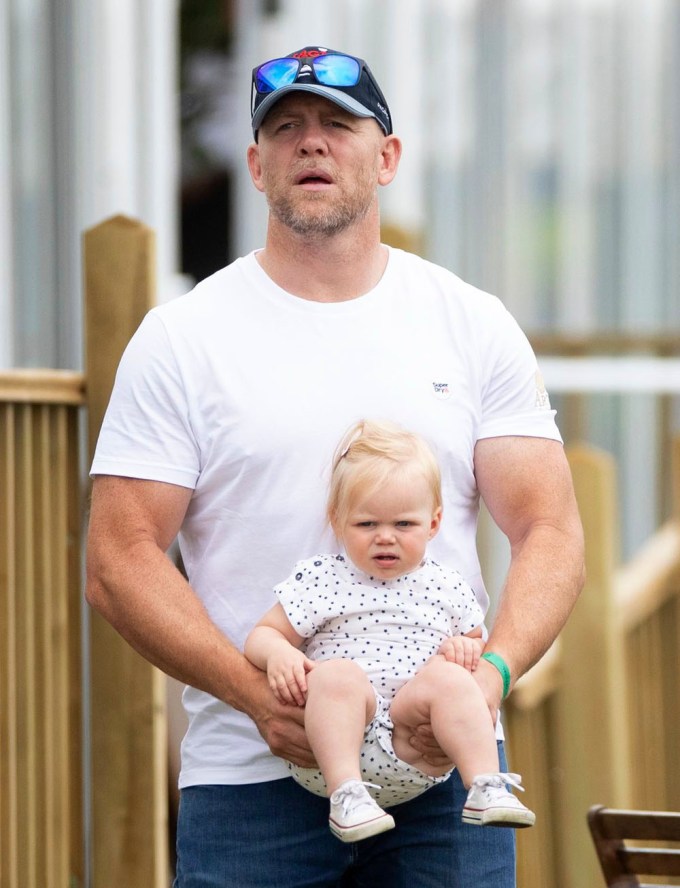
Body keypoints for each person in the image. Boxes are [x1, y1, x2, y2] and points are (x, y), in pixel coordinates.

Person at [85, 43, 584, 888]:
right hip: (251, 779)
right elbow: (117, 559)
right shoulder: (183, 338)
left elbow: (550, 528)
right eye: (285, 129)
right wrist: (255, 700)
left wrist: (493, 674)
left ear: (386, 156)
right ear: (255, 163)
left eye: (337, 125)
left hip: (445, 776)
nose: (310, 143)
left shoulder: (470, 323)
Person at [245, 419, 536, 842]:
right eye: (367, 525)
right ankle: (348, 797)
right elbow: (262, 634)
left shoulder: (447, 585)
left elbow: (477, 644)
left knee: (452, 680)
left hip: (417, 744)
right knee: (337, 675)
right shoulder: (323, 578)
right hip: (334, 746)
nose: (385, 538)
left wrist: (463, 649)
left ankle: (485, 785)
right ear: (338, 521)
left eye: (404, 525)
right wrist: (279, 655)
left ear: (433, 524)